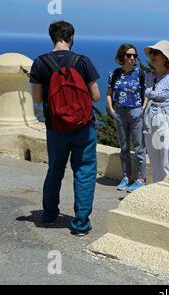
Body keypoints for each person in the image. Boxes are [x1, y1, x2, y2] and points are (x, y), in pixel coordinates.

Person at [30, 20, 100, 236]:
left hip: (56, 126)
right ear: (71, 37)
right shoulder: (82, 61)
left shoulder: (40, 63)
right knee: (85, 171)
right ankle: (80, 224)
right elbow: (96, 96)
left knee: (55, 170)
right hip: (83, 127)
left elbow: (37, 98)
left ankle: (50, 214)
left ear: (52, 37)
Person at [106, 44, 146, 192]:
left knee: (139, 147)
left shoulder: (140, 73)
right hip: (120, 112)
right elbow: (109, 93)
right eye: (129, 55)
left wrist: (142, 109)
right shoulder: (115, 74)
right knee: (124, 147)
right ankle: (126, 177)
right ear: (122, 57)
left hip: (135, 111)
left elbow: (146, 93)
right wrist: (111, 110)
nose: (132, 58)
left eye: (134, 56)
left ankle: (141, 178)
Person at [143, 40, 169, 183]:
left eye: (157, 53)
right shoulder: (149, 76)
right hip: (150, 121)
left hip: (166, 121)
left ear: (165, 57)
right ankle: (156, 192)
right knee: (154, 162)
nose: (152, 55)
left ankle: (168, 194)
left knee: (166, 161)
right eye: (151, 53)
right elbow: (147, 98)